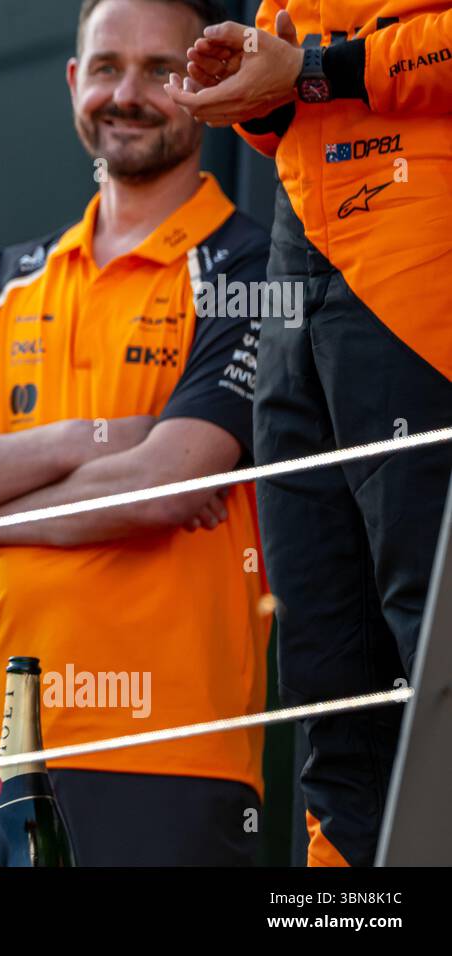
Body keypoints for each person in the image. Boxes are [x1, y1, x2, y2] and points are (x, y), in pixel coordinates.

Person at [0, 0, 272, 865]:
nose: (128, 93)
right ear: (72, 82)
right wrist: (88, 440)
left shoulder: (250, 268)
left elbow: (169, 485)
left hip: (173, 747)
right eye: (105, 66)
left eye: (162, 69)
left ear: (204, 86)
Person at [167, 0, 452, 867]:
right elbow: (305, 93)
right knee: (328, 676)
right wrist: (261, 93)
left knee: (432, 649)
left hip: (423, 266)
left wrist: (317, 69)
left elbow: (337, 66)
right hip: (305, 257)